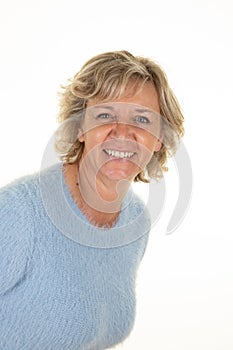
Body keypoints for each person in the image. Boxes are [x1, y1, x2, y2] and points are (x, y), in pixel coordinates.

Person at [0, 50, 184, 349]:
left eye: (142, 118)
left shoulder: (135, 220)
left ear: (159, 137)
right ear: (79, 127)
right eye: (105, 115)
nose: (123, 132)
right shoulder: (19, 213)